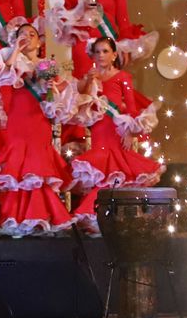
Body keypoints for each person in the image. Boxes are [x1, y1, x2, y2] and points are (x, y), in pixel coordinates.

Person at [0, 22, 77, 237]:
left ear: (39, 42)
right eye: (22, 33)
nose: (28, 36)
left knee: (38, 164)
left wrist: (51, 90)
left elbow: (57, 101)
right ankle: (16, 218)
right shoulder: (9, 57)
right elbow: (0, 76)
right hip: (17, 117)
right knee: (19, 164)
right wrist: (16, 50)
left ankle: (40, 215)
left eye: (32, 34)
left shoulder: (47, 65)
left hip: (38, 119)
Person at [66, 37, 163, 230]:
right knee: (102, 171)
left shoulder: (123, 77)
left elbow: (132, 109)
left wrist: (130, 132)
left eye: (105, 51)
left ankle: (115, 216)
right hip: (99, 129)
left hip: (117, 131)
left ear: (114, 55)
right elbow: (81, 98)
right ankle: (99, 216)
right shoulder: (92, 76)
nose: (101, 55)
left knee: (116, 171)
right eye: (97, 52)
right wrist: (89, 80)